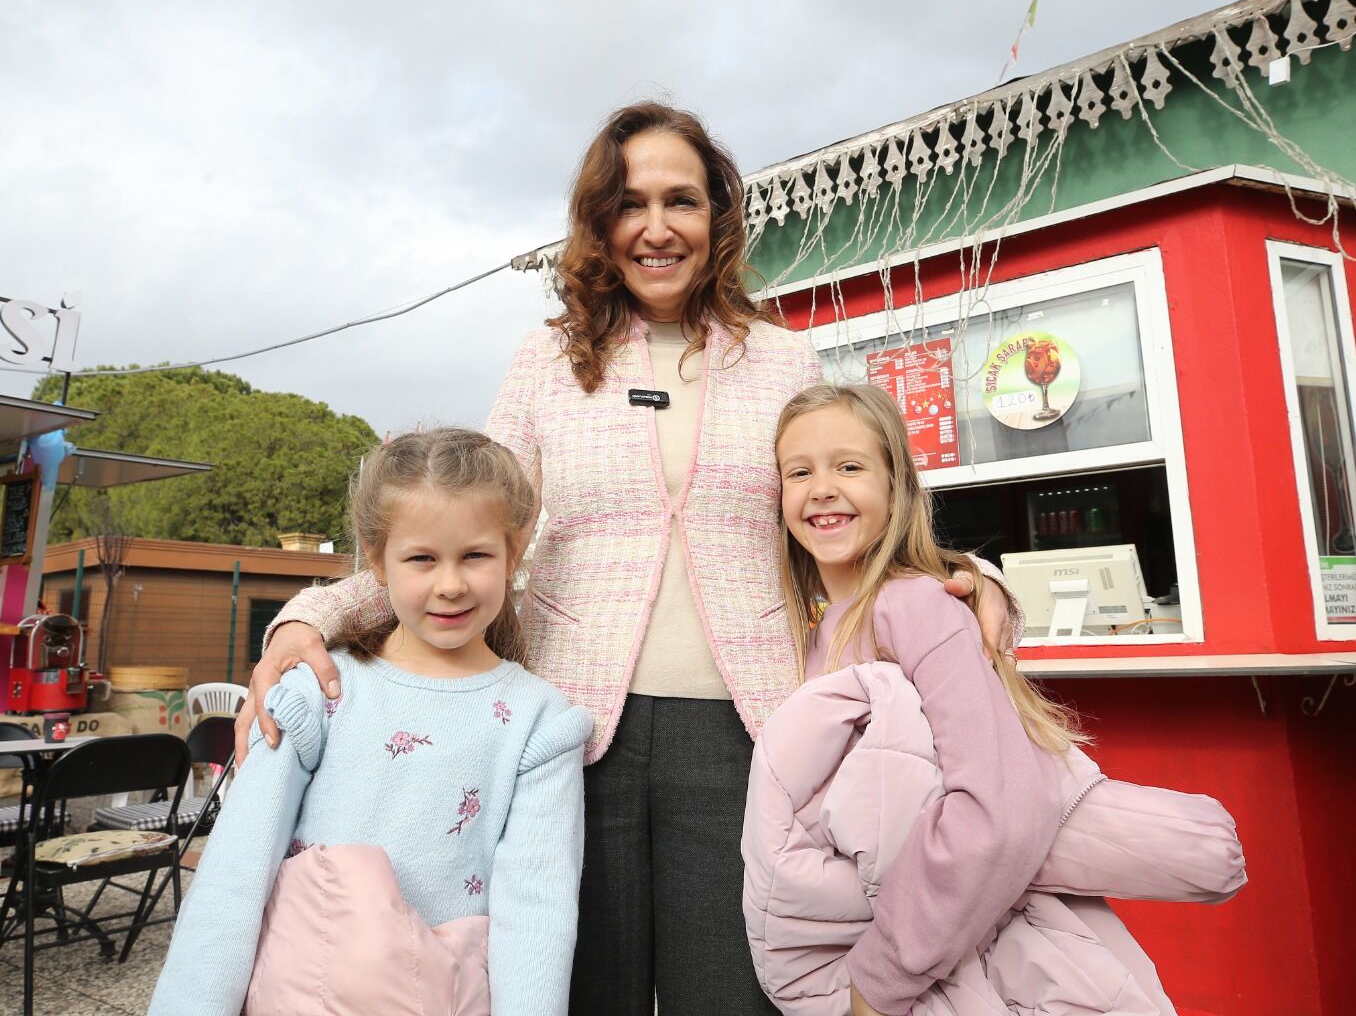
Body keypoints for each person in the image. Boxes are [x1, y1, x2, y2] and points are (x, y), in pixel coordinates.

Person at [235, 101, 1017, 1014]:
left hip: (747, 735)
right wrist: (309, 616)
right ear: (598, 223)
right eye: (629, 204)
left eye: (681, 200)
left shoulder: (784, 361)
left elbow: (839, 515)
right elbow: (463, 533)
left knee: (732, 997)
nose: (656, 228)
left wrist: (973, 580)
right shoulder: (546, 361)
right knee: (575, 993)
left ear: (717, 217)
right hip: (568, 739)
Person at [762, 384, 1244, 1016]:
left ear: (896, 485)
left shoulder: (918, 607)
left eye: (849, 466)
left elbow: (1000, 808)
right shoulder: (811, 631)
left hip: (952, 960)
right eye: (799, 472)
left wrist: (876, 982)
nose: (822, 488)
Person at [150, 429, 591, 1016]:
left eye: (475, 555)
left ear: (514, 551)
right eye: (422, 558)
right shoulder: (316, 693)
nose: (451, 584)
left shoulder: (542, 724)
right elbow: (235, 873)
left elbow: (536, 914)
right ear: (376, 559)